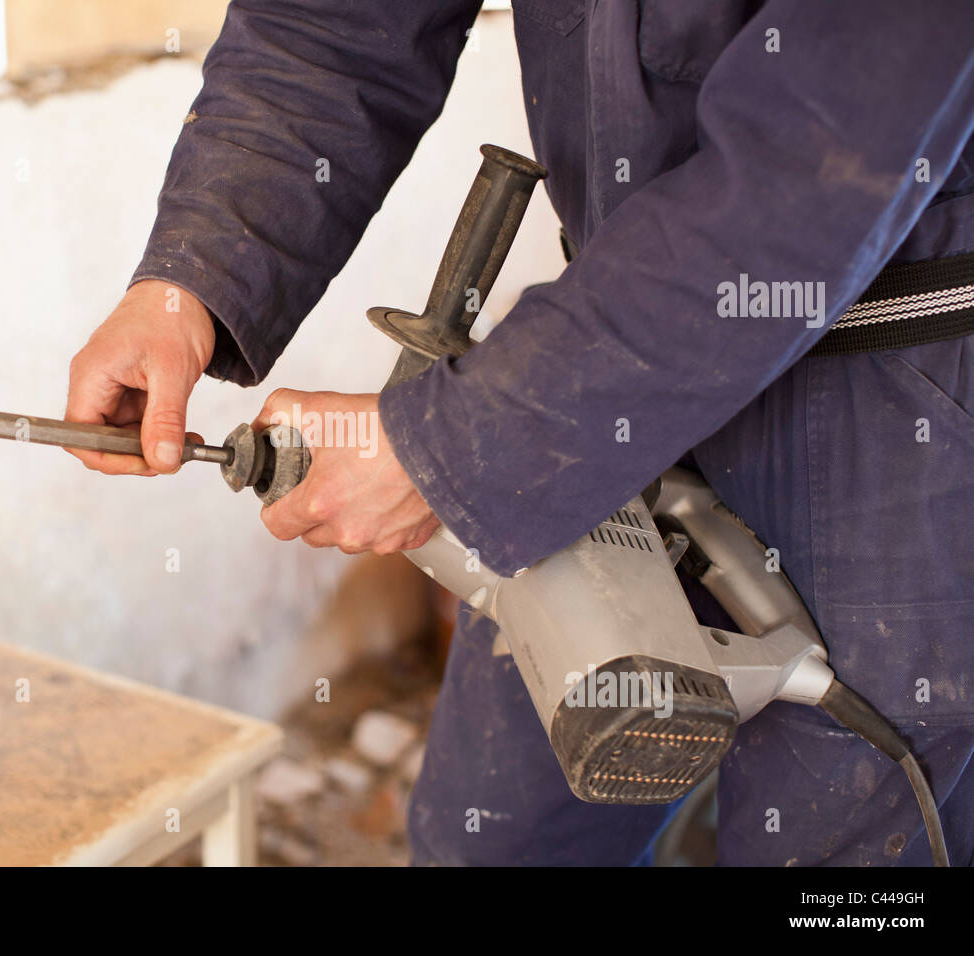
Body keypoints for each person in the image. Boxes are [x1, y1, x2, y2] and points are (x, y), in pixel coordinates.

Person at [64, 1, 974, 865]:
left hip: (887, 404)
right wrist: (195, 273)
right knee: (493, 840)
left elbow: (816, 163)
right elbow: (333, 24)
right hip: (589, 375)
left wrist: (449, 451)